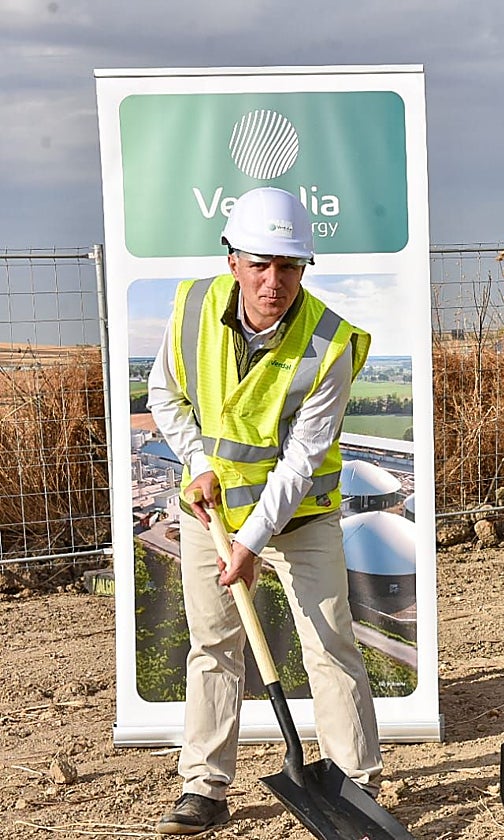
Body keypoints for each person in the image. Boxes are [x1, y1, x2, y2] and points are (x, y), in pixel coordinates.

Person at [147, 187, 381, 835]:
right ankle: (204, 786)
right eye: (259, 265)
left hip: (298, 515)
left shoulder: (330, 343)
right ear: (233, 261)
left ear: (304, 267)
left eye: (288, 266)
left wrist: (251, 543)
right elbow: (164, 394)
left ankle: (357, 786)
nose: (273, 282)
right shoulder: (193, 308)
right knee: (213, 644)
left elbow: (302, 459)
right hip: (212, 512)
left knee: (329, 644)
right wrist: (197, 461)